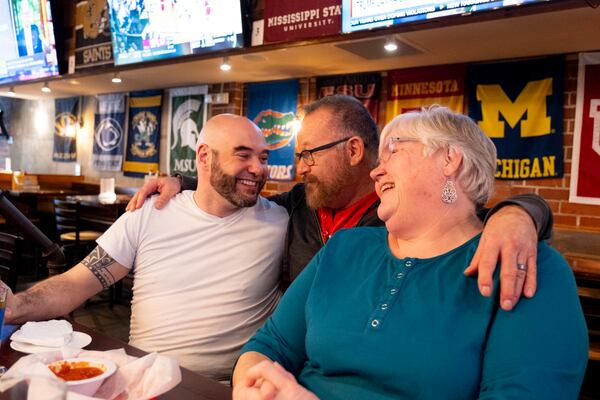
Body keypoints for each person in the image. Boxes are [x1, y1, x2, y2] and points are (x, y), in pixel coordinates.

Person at [231, 106, 588, 400]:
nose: (376, 170)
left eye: (394, 151)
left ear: (450, 158)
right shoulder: (345, 246)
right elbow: (271, 344)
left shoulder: (522, 263)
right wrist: (252, 382)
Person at [128, 95, 552, 311]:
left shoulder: (403, 217)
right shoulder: (297, 205)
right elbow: (239, 189)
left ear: (352, 151)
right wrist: (184, 180)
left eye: (309, 154)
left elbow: (464, 215)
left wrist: (519, 214)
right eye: (296, 156)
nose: (300, 168)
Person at [4, 114, 289, 381]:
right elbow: (77, 283)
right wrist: (15, 306)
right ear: (204, 156)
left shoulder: (280, 221)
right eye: (243, 155)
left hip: (228, 387)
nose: (258, 168)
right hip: (145, 377)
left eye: (263, 157)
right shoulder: (151, 211)